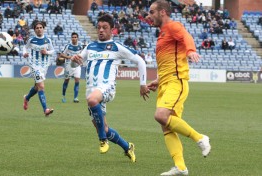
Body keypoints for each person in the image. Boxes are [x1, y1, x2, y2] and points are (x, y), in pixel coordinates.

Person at [71, 14, 149, 162]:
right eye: (99, 27)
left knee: (93, 101)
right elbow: (75, 65)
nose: (101, 30)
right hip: (91, 91)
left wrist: (142, 83)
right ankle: (128, 147)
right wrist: (74, 61)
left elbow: (140, 61)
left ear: (112, 30)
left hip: (107, 88)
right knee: (104, 128)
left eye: (104, 27)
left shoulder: (116, 47)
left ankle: (102, 140)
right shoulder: (90, 46)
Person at [147, 1, 211, 175]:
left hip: (176, 81)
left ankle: (200, 138)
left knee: (160, 116)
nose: (149, 15)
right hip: (165, 83)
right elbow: (168, 62)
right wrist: (158, 80)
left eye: (152, 12)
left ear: (162, 12)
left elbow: (185, 36)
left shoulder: (173, 26)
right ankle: (181, 167)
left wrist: (190, 50)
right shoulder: (162, 34)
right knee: (166, 125)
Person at [22, 21, 55, 117]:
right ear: (34, 30)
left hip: (44, 66)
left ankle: (27, 98)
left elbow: (53, 51)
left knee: (37, 87)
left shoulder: (47, 40)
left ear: (43, 29)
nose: (39, 29)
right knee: (41, 86)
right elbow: (25, 47)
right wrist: (24, 53)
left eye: (41, 27)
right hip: (34, 65)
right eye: (37, 28)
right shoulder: (31, 40)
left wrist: (47, 52)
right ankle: (46, 109)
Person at [59, 32, 82, 103]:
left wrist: (80, 61)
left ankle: (75, 98)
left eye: (75, 37)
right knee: (66, 80)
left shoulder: (80, 47)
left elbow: (81, 56)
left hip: (77, 66)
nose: (74, 38)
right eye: (73, 37)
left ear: (77, 38)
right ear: (71, 38)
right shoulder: (68, 46)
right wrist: (69, 57)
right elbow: (61, 54)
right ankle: (63, 96)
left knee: (77, 81)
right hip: (68, 65)